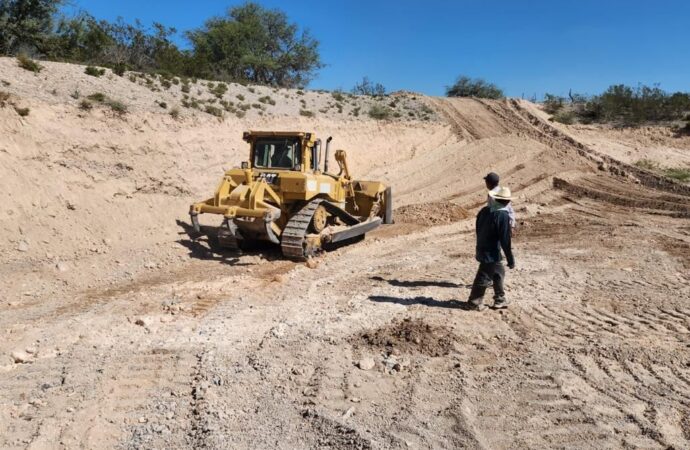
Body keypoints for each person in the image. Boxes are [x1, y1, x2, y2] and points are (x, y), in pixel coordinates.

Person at [467, 186, 515, 311]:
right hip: (491, 252)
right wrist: (510, 258)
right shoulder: (502, 215)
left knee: (499, 272)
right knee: (484, 276)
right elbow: (505, 240)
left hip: (483, 247)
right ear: (507, 201)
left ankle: (500, 299)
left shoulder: (484, 211)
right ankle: (474, 302)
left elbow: (478, 229)